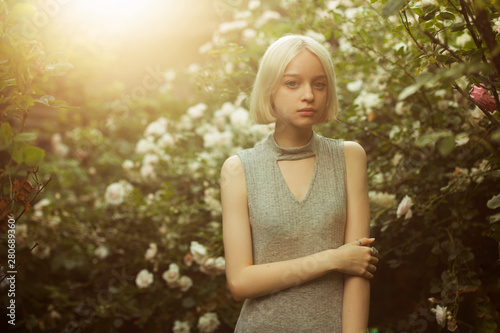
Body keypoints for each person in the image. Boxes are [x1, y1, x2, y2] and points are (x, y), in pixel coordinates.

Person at [220, 34, 379, 332]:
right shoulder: (239, 169)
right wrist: (332, 258)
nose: (309, 95)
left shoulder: (350, 157)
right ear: (269, 89)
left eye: (319, 84)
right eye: (292, 83)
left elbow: (358, 267)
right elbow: (239, 282)